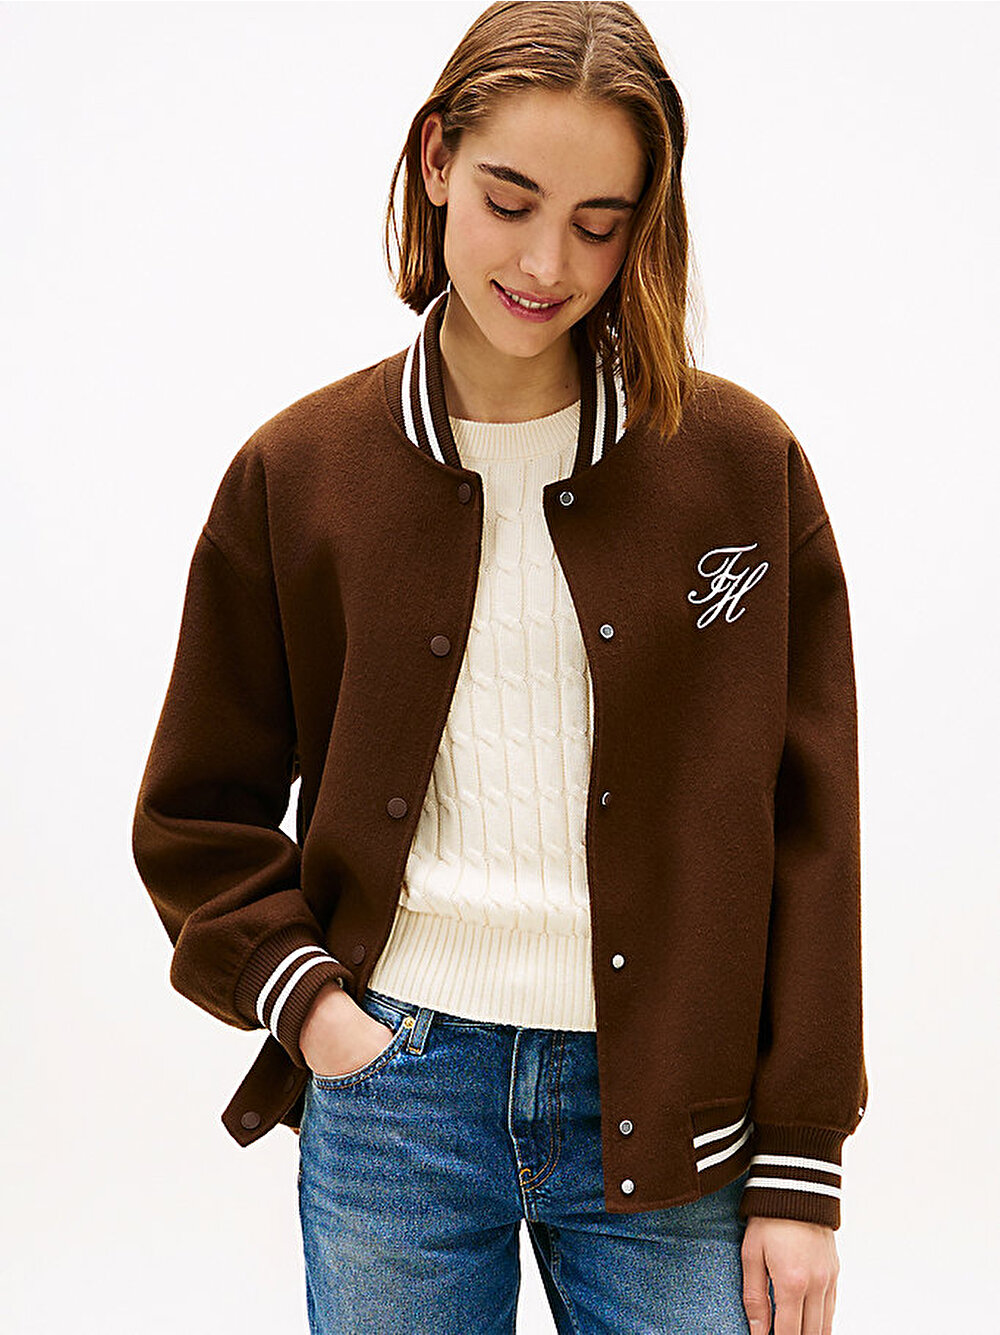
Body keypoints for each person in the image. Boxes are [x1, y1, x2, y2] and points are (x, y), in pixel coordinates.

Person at [132, 3, 868, 1333]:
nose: (544, 262)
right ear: (435, 160)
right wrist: (317, 1016)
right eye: (508, 200)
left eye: (599, 223)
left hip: (674, 1106)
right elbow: (197, 812)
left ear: (648, 224)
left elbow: (810, 828)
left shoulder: (738, 469)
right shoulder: (301, 475)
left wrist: (803, 1169)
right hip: (397, 1094)